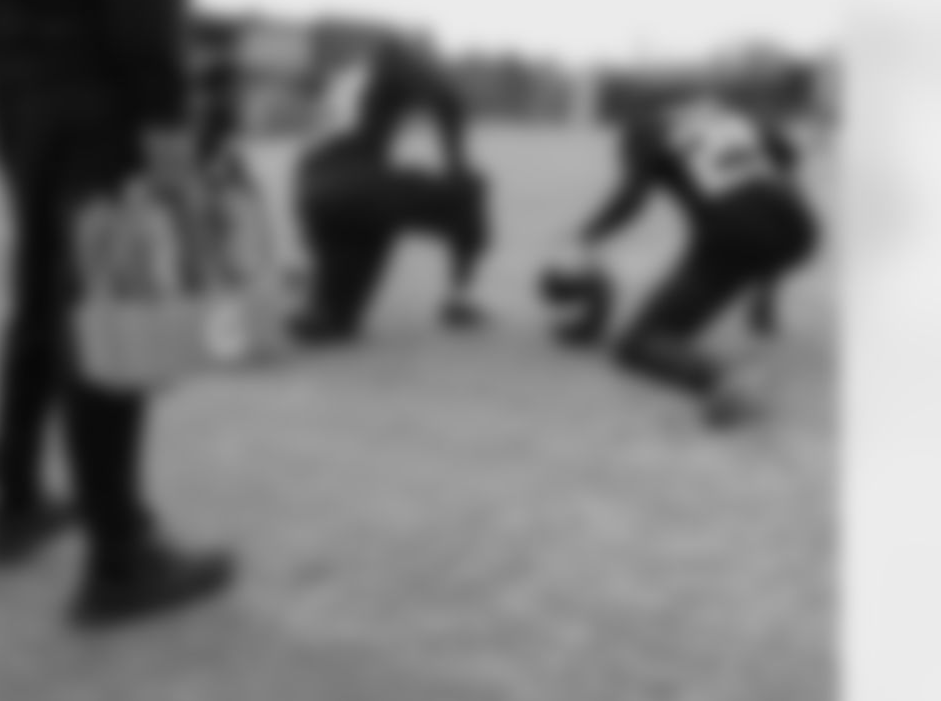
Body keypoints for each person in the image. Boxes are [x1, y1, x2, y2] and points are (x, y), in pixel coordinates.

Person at [0, 0, 234, 626]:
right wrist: (171, 158)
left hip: (20, 109)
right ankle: (121, 554)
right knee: (115, 318)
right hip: (105, 113)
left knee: (37, 300)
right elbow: (143, 29)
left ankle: (13, 501)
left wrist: (9, 131)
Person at [545, 92, 820, 425]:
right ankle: (764, 292)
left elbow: (631, 199)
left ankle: (724, 377)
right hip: (800, 227)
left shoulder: (644, 130)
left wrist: (583, 238)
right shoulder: (721, 112)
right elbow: (786, 152)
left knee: (637, 343)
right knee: (743, 244)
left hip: (734, 235)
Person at [291, 39, 492, 345]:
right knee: (469, 191)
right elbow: (448, 101)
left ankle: (328, 311)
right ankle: (458, 300)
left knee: (367, 221)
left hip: (313, 191)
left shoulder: (350, 75)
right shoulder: (395, 60)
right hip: (355, 185)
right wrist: (456, 165)